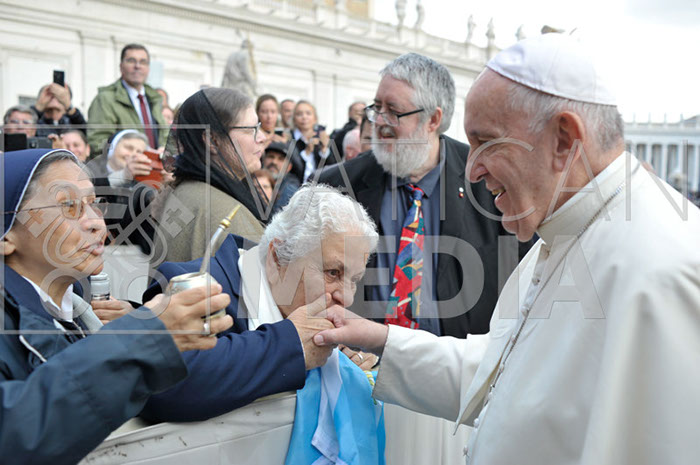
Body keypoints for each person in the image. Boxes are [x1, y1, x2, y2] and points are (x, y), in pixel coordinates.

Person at [314, 34, 700, 464]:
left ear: (564, 140)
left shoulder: (663, 268)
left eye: (486, 142)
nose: (472, 170)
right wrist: (380, 338)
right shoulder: (564, 230)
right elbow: (503, 375)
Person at [0, 148, 232, 464]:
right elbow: (12, 433)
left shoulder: (77, 315)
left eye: (94, 204)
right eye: (68, 206)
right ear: (6, 237)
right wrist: (145, 338)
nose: (96, 223)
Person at [319, 52, 530, 338]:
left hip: (460, 360)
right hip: (358, 358)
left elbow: (526, 279)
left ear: (433, 119)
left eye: (393, 111)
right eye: (376, 107)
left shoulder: (489, 180)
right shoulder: (337, 185)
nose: (379, 121)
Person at [132, 185, 378, 421]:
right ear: (277, 258)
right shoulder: (193, 287)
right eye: (333, 273)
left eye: (355, 279)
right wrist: (292, 345)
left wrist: (342, 363)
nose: (347, 298)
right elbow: (159, 384)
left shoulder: (305, 306)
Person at [151, 87, 267, 264]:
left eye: (258, 127)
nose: (262, 137)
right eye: (250, 129)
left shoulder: (186, 191)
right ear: (212, 140)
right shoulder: (225, 213)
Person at [87, 44, 167, 155]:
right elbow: (98, 142)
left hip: (156, 165)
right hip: (123, 165)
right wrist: (133, 152)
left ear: (148, 68)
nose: (137, 66)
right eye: (131, 61)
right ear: (121, 66)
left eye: (143, 62)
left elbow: (165, 135)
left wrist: (165, 149)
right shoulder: (105, 99)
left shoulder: (155, 99)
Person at [292, 100, 336, 182]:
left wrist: (324, 149)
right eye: (299, 114)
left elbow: (333, 168)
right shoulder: (289, 138)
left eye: (308, 113)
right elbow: (292, 169)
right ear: (294, 119)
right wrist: (307, 152)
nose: (304, 117)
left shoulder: (321, 137)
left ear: (315, 118)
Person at [262, 141, 301, 214]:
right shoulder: (254, 179)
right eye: (271, 156)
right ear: (263, 160)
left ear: (289, 167)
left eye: (281, 159)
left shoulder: (290, 189)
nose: (274, 162)